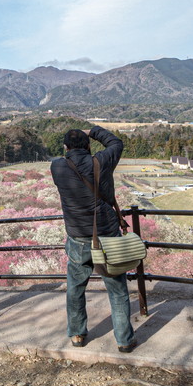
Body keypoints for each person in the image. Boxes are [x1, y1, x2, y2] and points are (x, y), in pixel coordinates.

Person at [50, 126, 137, 353]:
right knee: (117, 290)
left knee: (75, 288)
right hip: (106, 235)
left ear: (65, 147)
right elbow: (116, 143)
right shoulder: (100, 162)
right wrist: (94, 131)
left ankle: (77, 334)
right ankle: (124, 340)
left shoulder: (57, 166)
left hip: (78, 236)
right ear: (88, 146)